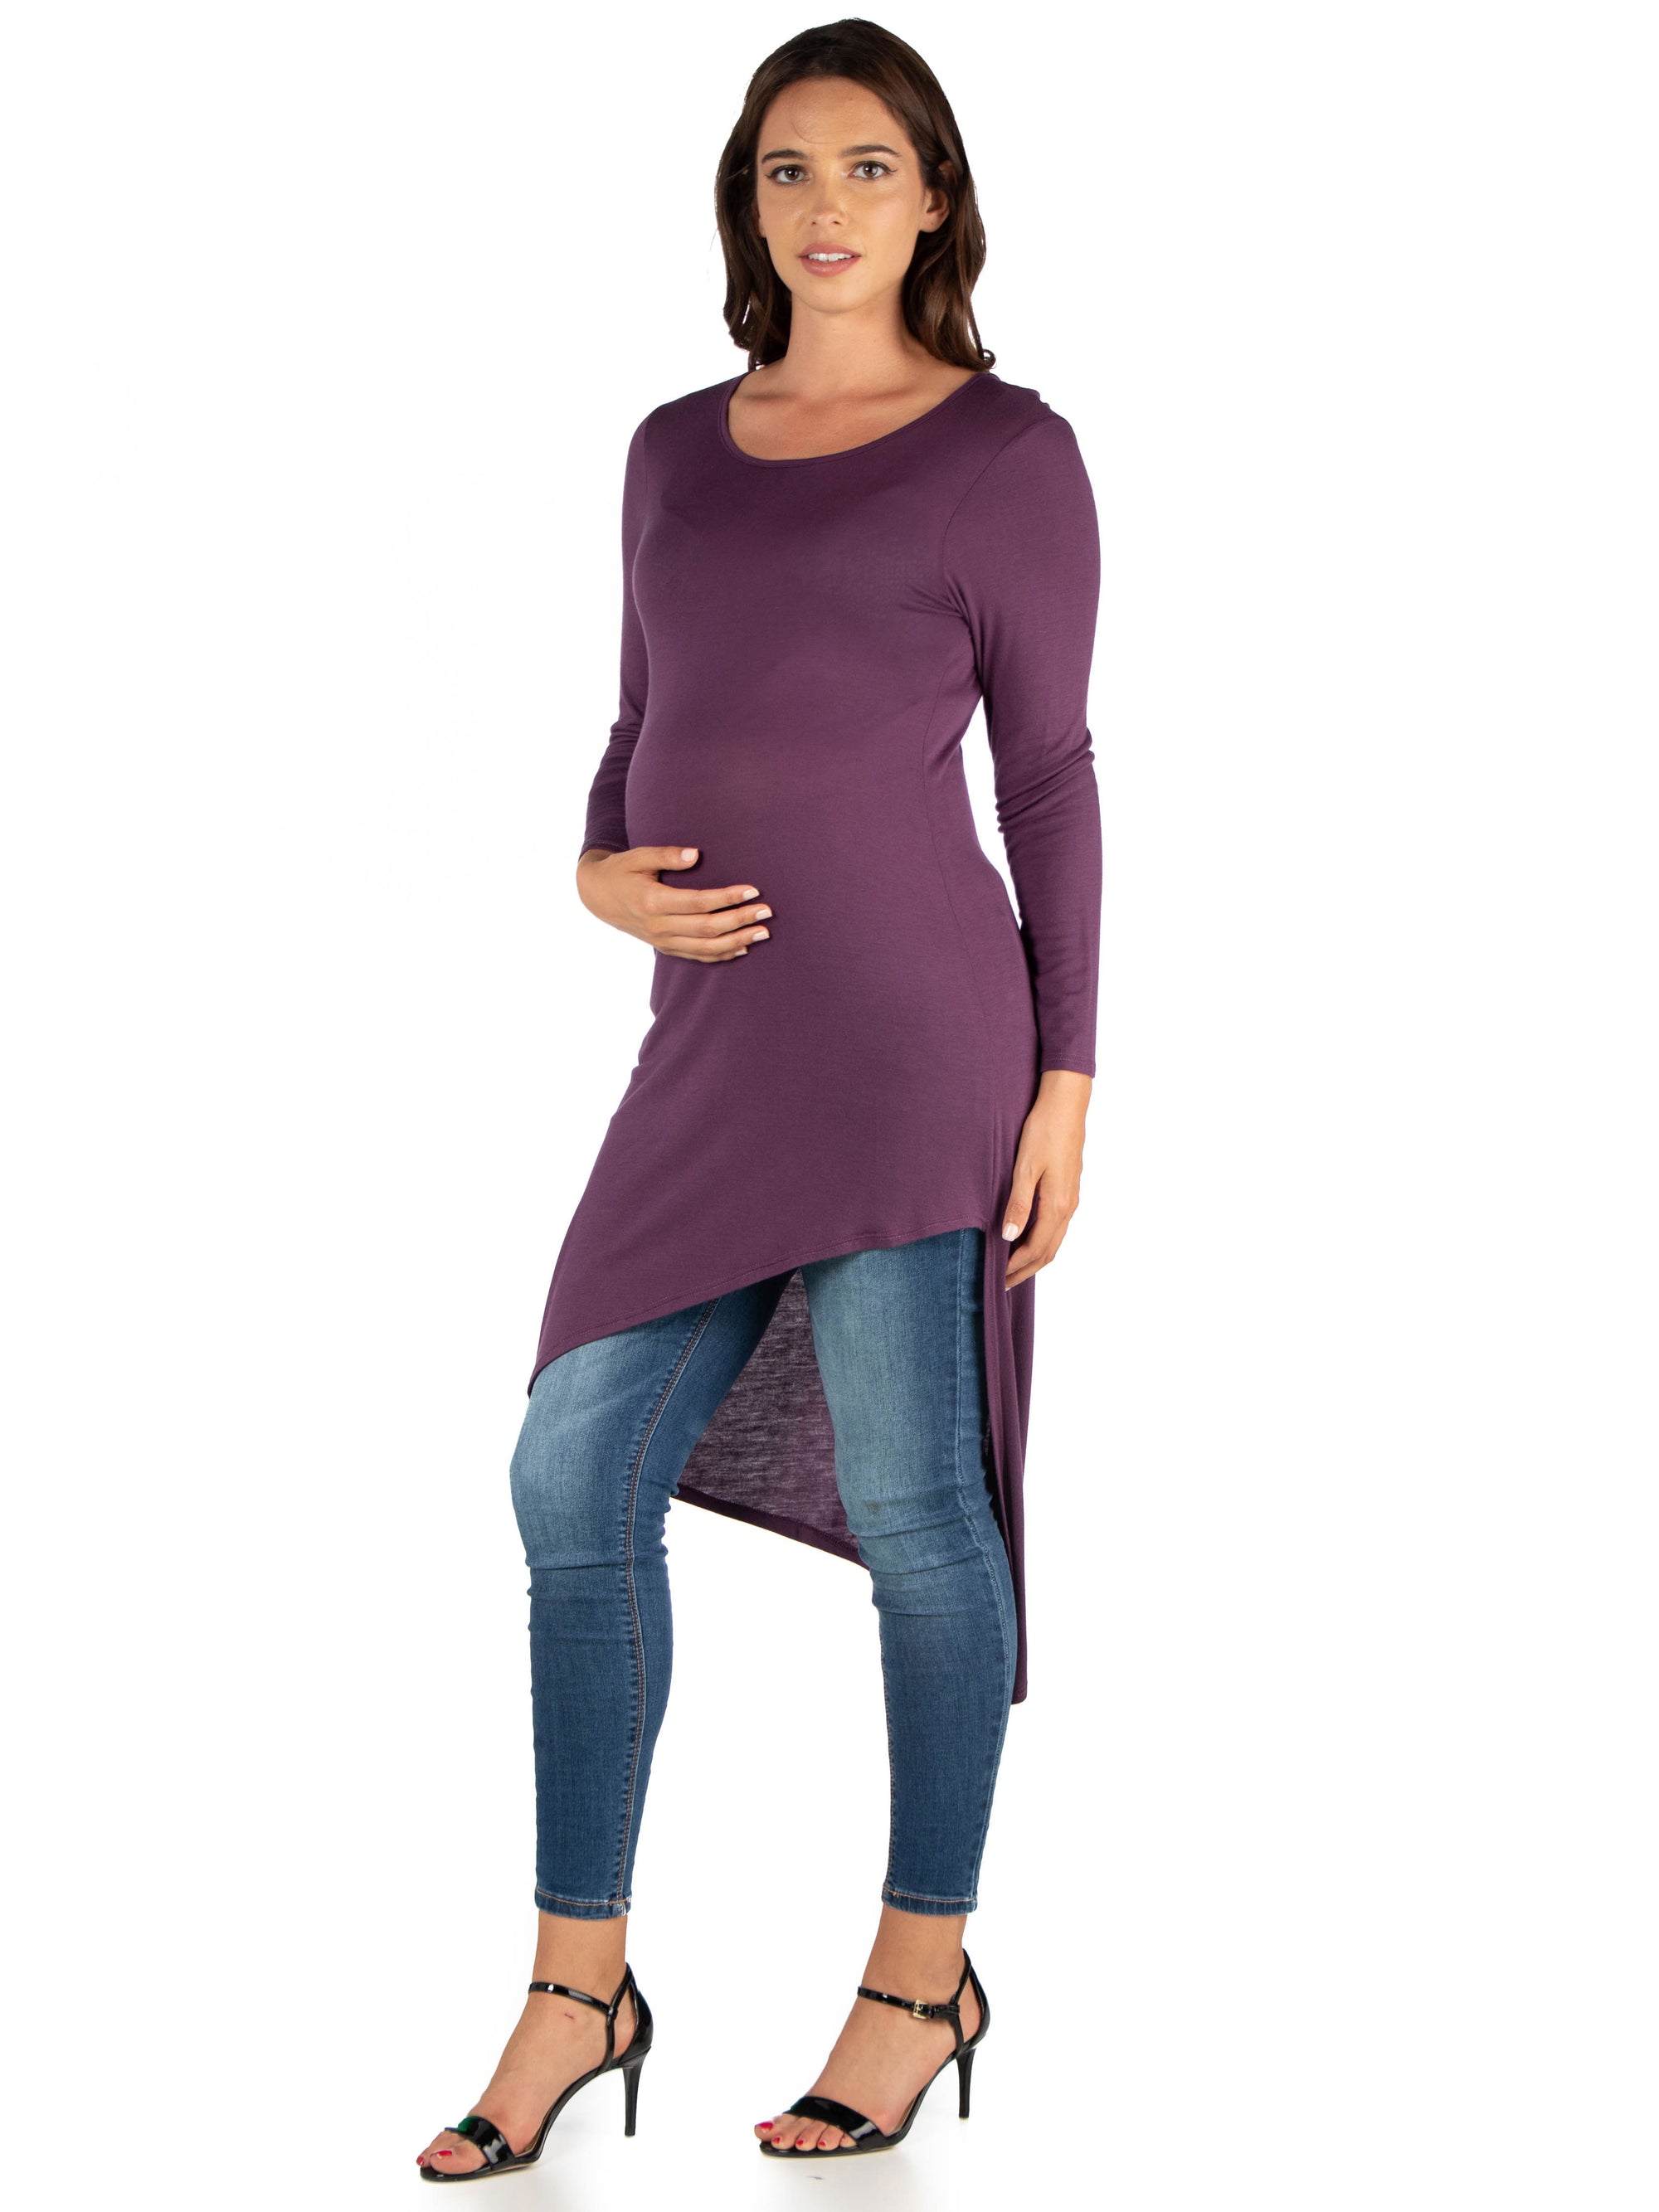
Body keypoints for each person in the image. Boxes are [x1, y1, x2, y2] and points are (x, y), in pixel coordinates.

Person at [417, 16, 1101, 2179]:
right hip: (710, 1057)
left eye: (868, 166)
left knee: (920, 1510)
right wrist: (592, 866)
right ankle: (579, 1984)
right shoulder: (671, 453)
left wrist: (1071, 1069)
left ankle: (919, 1970)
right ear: (749, 202)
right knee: (571, 1467)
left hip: (916, 1048)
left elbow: (1051, 779)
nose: (826, 205)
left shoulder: (1006, 454)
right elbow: (641, 724)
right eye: (787, 168)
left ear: (935, 197)